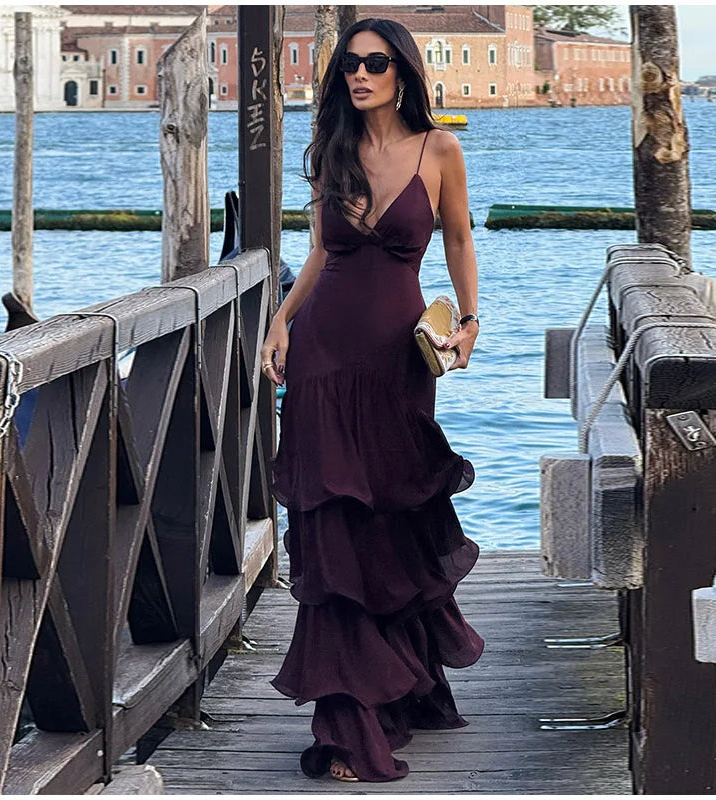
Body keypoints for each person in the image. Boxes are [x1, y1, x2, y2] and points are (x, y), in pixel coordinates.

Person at [260, 17, 484, 783]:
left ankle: (399, 688)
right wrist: (280, 322)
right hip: (322, 360)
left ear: (403, 72)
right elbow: (323, 250)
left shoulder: (440, 150)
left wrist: (471, 320)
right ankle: (348, 724)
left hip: (399, 364)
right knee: (333, 535)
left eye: (375, 64)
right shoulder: (333, 152)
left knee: (393, 518)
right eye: (349, 66)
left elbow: (457, 240)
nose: (360, 76)